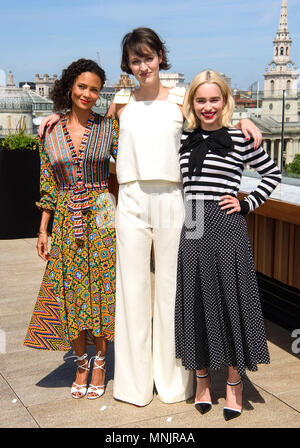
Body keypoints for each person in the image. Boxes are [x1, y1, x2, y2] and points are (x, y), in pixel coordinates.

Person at [37, 28, 263, 407]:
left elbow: (213, 120)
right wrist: (55, 116)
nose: (143, 66)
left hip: (176, 198)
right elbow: (90, 127)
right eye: (136, 60)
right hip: (131, 197)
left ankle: (176, 384)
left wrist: (243, 122)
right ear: (128, 65)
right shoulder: (120, 102)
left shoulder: (180, 100)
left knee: (175, 293)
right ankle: (134, 385)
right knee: (132, 292)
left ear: (161, 56)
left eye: (149, 57)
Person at [175, 69, 281, 420]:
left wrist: (246, 203)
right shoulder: (183, 137)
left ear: (225, 101)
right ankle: (202, 380)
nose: (208, 106)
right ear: (192, 102)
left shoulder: (239, 138)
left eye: (214, 99)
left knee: (231, 298)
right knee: (196, 301)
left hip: (225, 222)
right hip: (192, 221)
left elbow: (273, 174)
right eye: (201, 100)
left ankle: (234, 382)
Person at [24, 59, 119, 400]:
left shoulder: (111, 128)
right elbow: (46, 184)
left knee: (102, 291)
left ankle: (101, 362)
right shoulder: (49, 131)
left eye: (95, 89)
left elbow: (139, 158)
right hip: (65, 217)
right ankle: (81, 361)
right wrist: (43, 229)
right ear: (69, 87)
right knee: (70, 291)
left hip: (102, 216)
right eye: (82, 87)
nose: (88, 94)